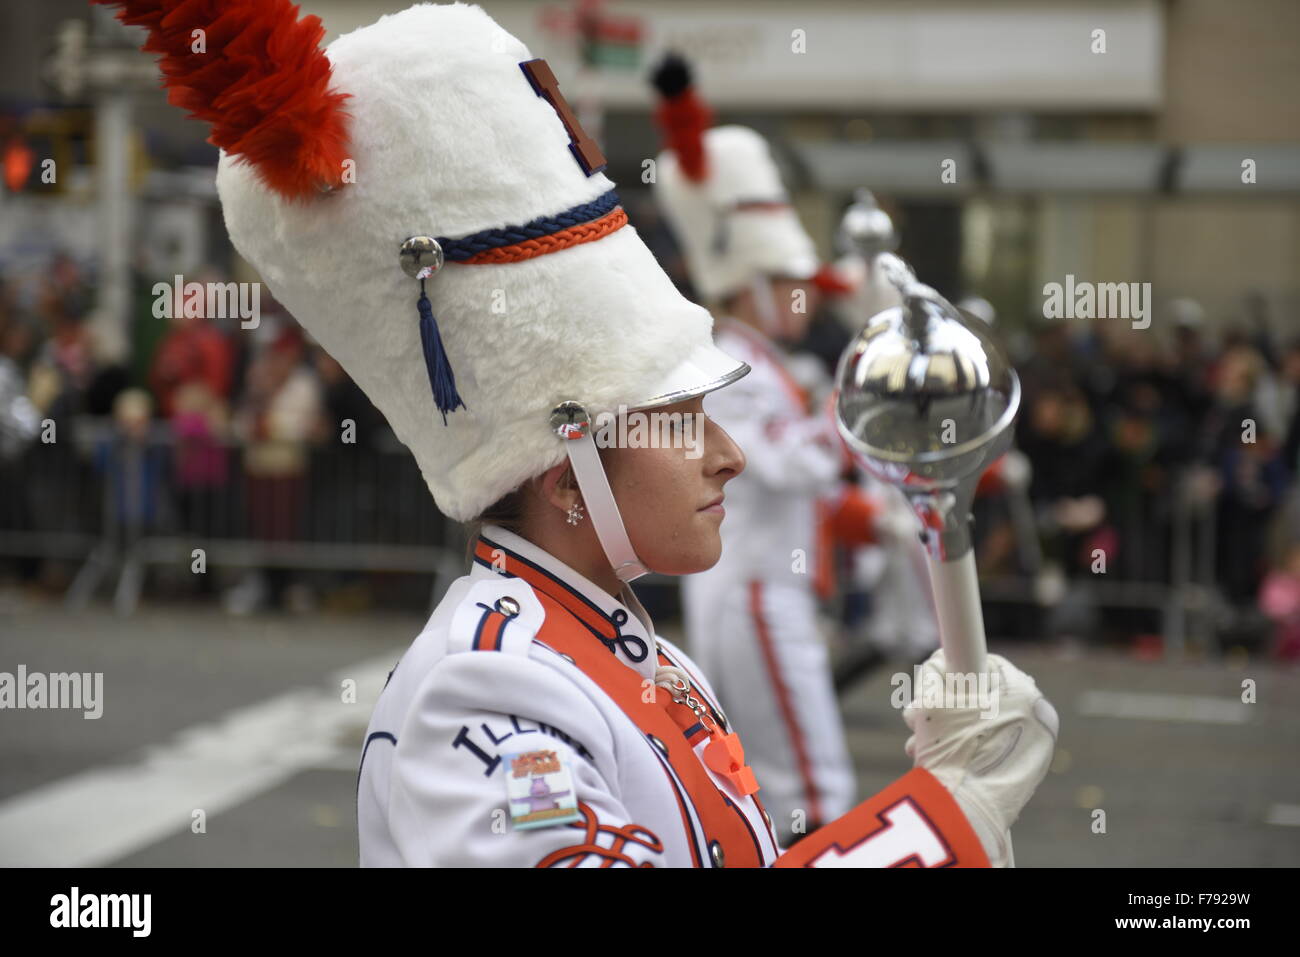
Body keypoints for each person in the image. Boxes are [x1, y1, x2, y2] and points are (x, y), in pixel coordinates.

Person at [99, 0, 1058, 867]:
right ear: (565, 478)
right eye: (681, 419)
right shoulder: (484, 691)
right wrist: (940, 824)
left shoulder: (625, 644)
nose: (729, 452)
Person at [648, 53, 862, 837]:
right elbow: (794, 461)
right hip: (759, 590)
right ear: (752, 282)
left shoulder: (755, 357)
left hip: (764, 587)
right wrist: (852, 402)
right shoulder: (735, 359)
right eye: (789, 282)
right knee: (812, 785)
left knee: (784, 784)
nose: (805, 301)